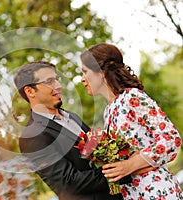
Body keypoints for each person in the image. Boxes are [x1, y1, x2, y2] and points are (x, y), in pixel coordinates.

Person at [14, 61, 130, 200]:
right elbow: (69, 182)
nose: (58, 85)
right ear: (30, 91)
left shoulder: (72, 117)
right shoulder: (32, 136)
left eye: (57, 79)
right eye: (49, 81)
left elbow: (95, 153)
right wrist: (122, 171)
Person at [80, 43, 183, 199]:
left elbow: (171, 138)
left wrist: (129, 166)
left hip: (155, 192)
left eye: (85, 72)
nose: (82, 79)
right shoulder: (109, 111)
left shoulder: (132, 97)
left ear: (101, 72)